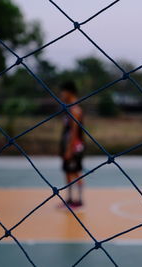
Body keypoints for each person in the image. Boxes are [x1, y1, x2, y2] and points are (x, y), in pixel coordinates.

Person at [59, 81, 85, 209]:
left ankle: (79, 200)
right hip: (67, 144)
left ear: (69, 92)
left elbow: (74, 132)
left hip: (74, 147)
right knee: (67, 171)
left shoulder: (75, 109)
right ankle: (69, 199)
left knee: (75, 171)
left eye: (63, 91)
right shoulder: (68, 108)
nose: (61, 94)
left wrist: (70, 149)